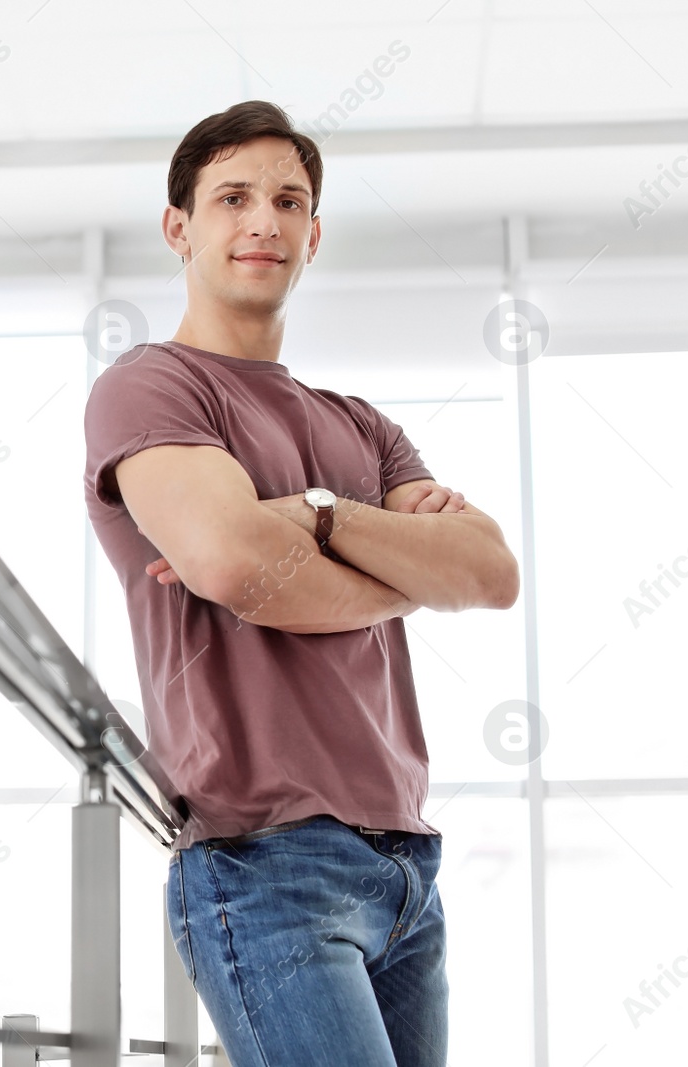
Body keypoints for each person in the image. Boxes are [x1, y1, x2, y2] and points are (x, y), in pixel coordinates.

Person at [82, 99, 520, 1066]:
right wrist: (407, 575)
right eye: (232, 197)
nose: (263, 221)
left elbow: (489, 574)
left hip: (406, 866)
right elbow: (239, 564)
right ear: (179, 227)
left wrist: (321, 516)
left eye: (289, 200)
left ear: (313, 235)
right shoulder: (150, 389)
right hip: (265, 862)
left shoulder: (361, 427)